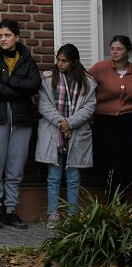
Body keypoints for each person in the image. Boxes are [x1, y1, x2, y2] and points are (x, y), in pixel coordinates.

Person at [0, 19, 41, 230]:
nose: (3, 39)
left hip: (22, 121)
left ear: (17, 37)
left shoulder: (27, 60)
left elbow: (34, 84)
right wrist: (19, 88)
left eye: (7, 35)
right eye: (0, 36)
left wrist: (10, 82)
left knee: (15, 168)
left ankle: (11, 210)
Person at [36, 44, 96, 227]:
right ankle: (53, 214)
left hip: (76, 134)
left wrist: (70, 123)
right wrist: (62, 123)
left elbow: (89, 107)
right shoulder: (47, 79)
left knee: (73, 176)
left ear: (74, 62)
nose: (59, 64)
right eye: (58, 60)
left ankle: (73, 215)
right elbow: (44, 105)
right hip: (55, 134)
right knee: (53, 176)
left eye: (64, 61)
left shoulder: (88, 81)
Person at [89, 35, 132, 202]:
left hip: (128, 121)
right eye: (112, 48)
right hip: (105, 122)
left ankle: (122, 205)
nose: (114, 52)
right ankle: (112, 204)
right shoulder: (101, 68)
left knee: (127, 162)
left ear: (128, 52)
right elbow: (83, 83)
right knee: (111, 163)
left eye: (119, 48)